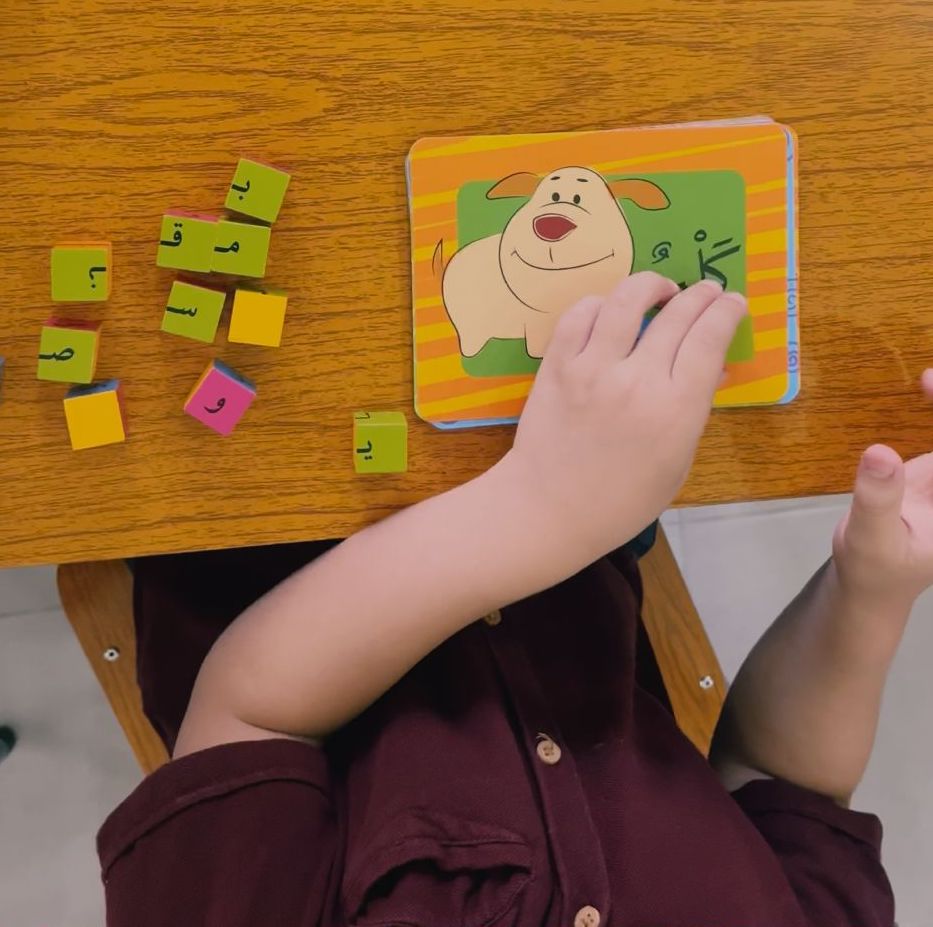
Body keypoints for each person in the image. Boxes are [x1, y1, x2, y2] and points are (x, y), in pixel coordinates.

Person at [98, 273, 919, 926]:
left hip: (254, 488)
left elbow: (245, 711)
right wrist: (872, 587)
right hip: (549, 441)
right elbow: (787, 784)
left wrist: (542, 510)